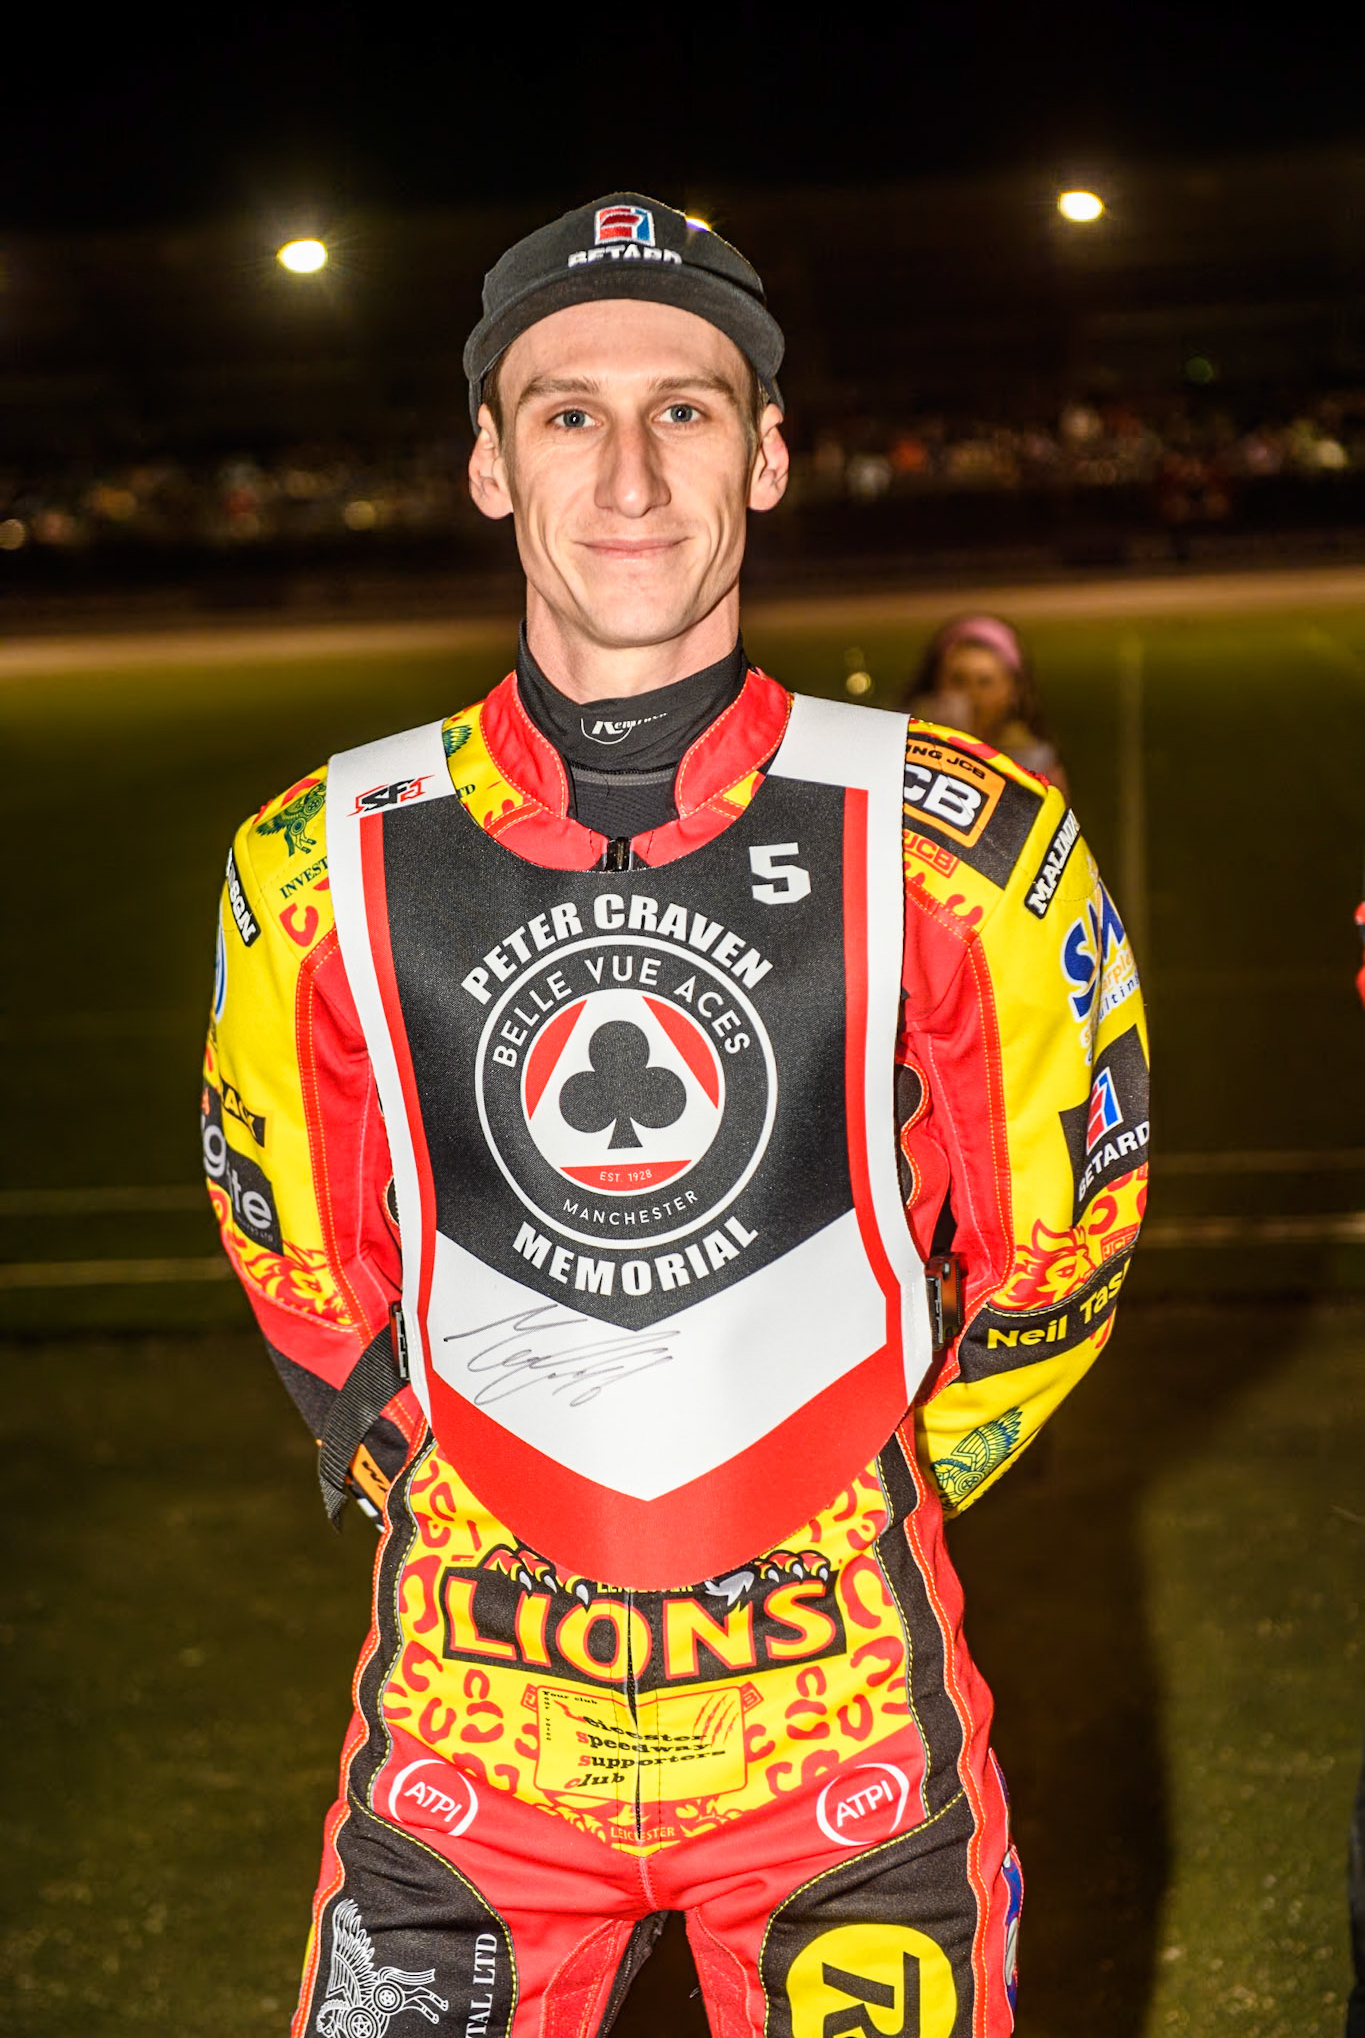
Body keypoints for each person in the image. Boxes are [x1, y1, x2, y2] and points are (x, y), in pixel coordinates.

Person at [204, 193, 1149, 2038]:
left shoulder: (964, 840)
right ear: (487, 461)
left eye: (688, 409)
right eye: (567, 411)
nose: (628, 470)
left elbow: (1071, 1233)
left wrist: (864, 1489)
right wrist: (453, 1491)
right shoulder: (312, 858)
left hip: (844, 1730)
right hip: (466, 1745)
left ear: (769, 454)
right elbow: (297, 1249)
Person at [907, 615, 1069, 795]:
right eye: (958, 680)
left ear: (1013, 692)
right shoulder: (909, 749)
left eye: (984, 682)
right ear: (936, 684)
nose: (971, 694)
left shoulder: (1036, 766)